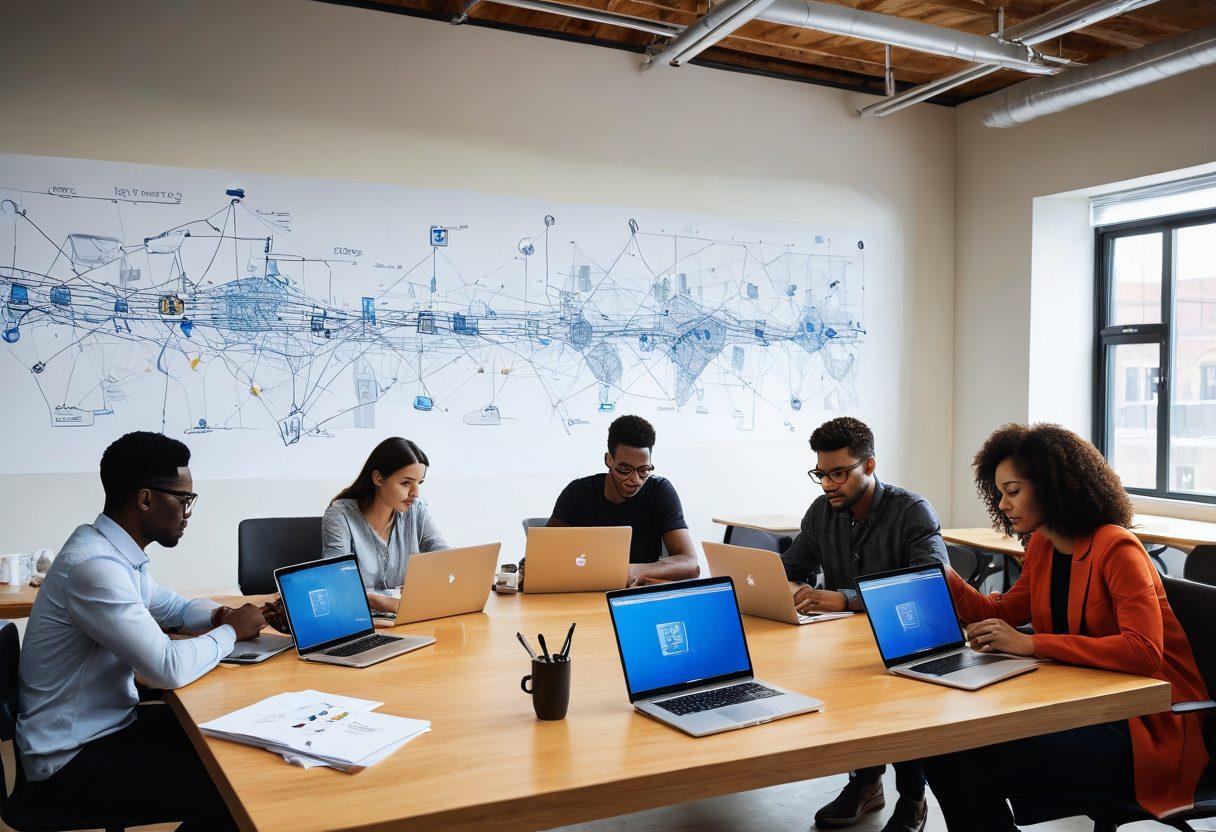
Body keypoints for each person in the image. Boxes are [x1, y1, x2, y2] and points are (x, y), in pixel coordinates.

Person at [923, 423, 1211, 830]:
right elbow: (1000, 610)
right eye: (999, 492)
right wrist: (942, 572)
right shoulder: (1043, 545)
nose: (1003, 504)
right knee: (941, 748)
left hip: (1145, 724)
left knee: (970, 759)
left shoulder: (1117, 548)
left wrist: (1033, 644)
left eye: (1013, 490)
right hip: (1082, 705)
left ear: (1052, 486)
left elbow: (1143, 652)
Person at [16, 431, 267, 831]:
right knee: (239, 782)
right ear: (146, 499)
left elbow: (177, 608)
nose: (188, 513)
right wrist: (231, 632)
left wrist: (222, 614)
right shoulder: (94, 567)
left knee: (239, 741)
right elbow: (167, 668)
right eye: (184, 500)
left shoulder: (111, 551)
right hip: (70, 762)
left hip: (108, 728)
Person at [781, 416, 947, 832]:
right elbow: (791, 567)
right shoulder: (822, 512)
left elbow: (931, 584)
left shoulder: (911, 510)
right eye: (821, 474)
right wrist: (792, 587)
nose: (827, 484)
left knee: (899, 707)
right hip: (848, 642)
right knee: (846, 701)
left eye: (838, 473)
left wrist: (846, 599)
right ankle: (866, 783)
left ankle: (913, 798)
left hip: (909, 640)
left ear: (869, 466)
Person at [547, 414, 698, 587]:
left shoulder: (659, 491)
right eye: (624, 469)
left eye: (643, 470)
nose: (635, 479)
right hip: (580, 591)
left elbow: (691, 564)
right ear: (609, 460)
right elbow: (545, 556)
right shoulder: (578, 493)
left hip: (634, 595)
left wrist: (632, 571)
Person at [323, 437, 447, 611]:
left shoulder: (417, 509)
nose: (416, 493)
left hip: (406, 615)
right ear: (378, 479)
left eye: (419, 483)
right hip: (360, 617)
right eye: (406, 483)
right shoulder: (339, 515)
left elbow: (444, 556)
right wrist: (391, 604)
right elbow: (337, 583)